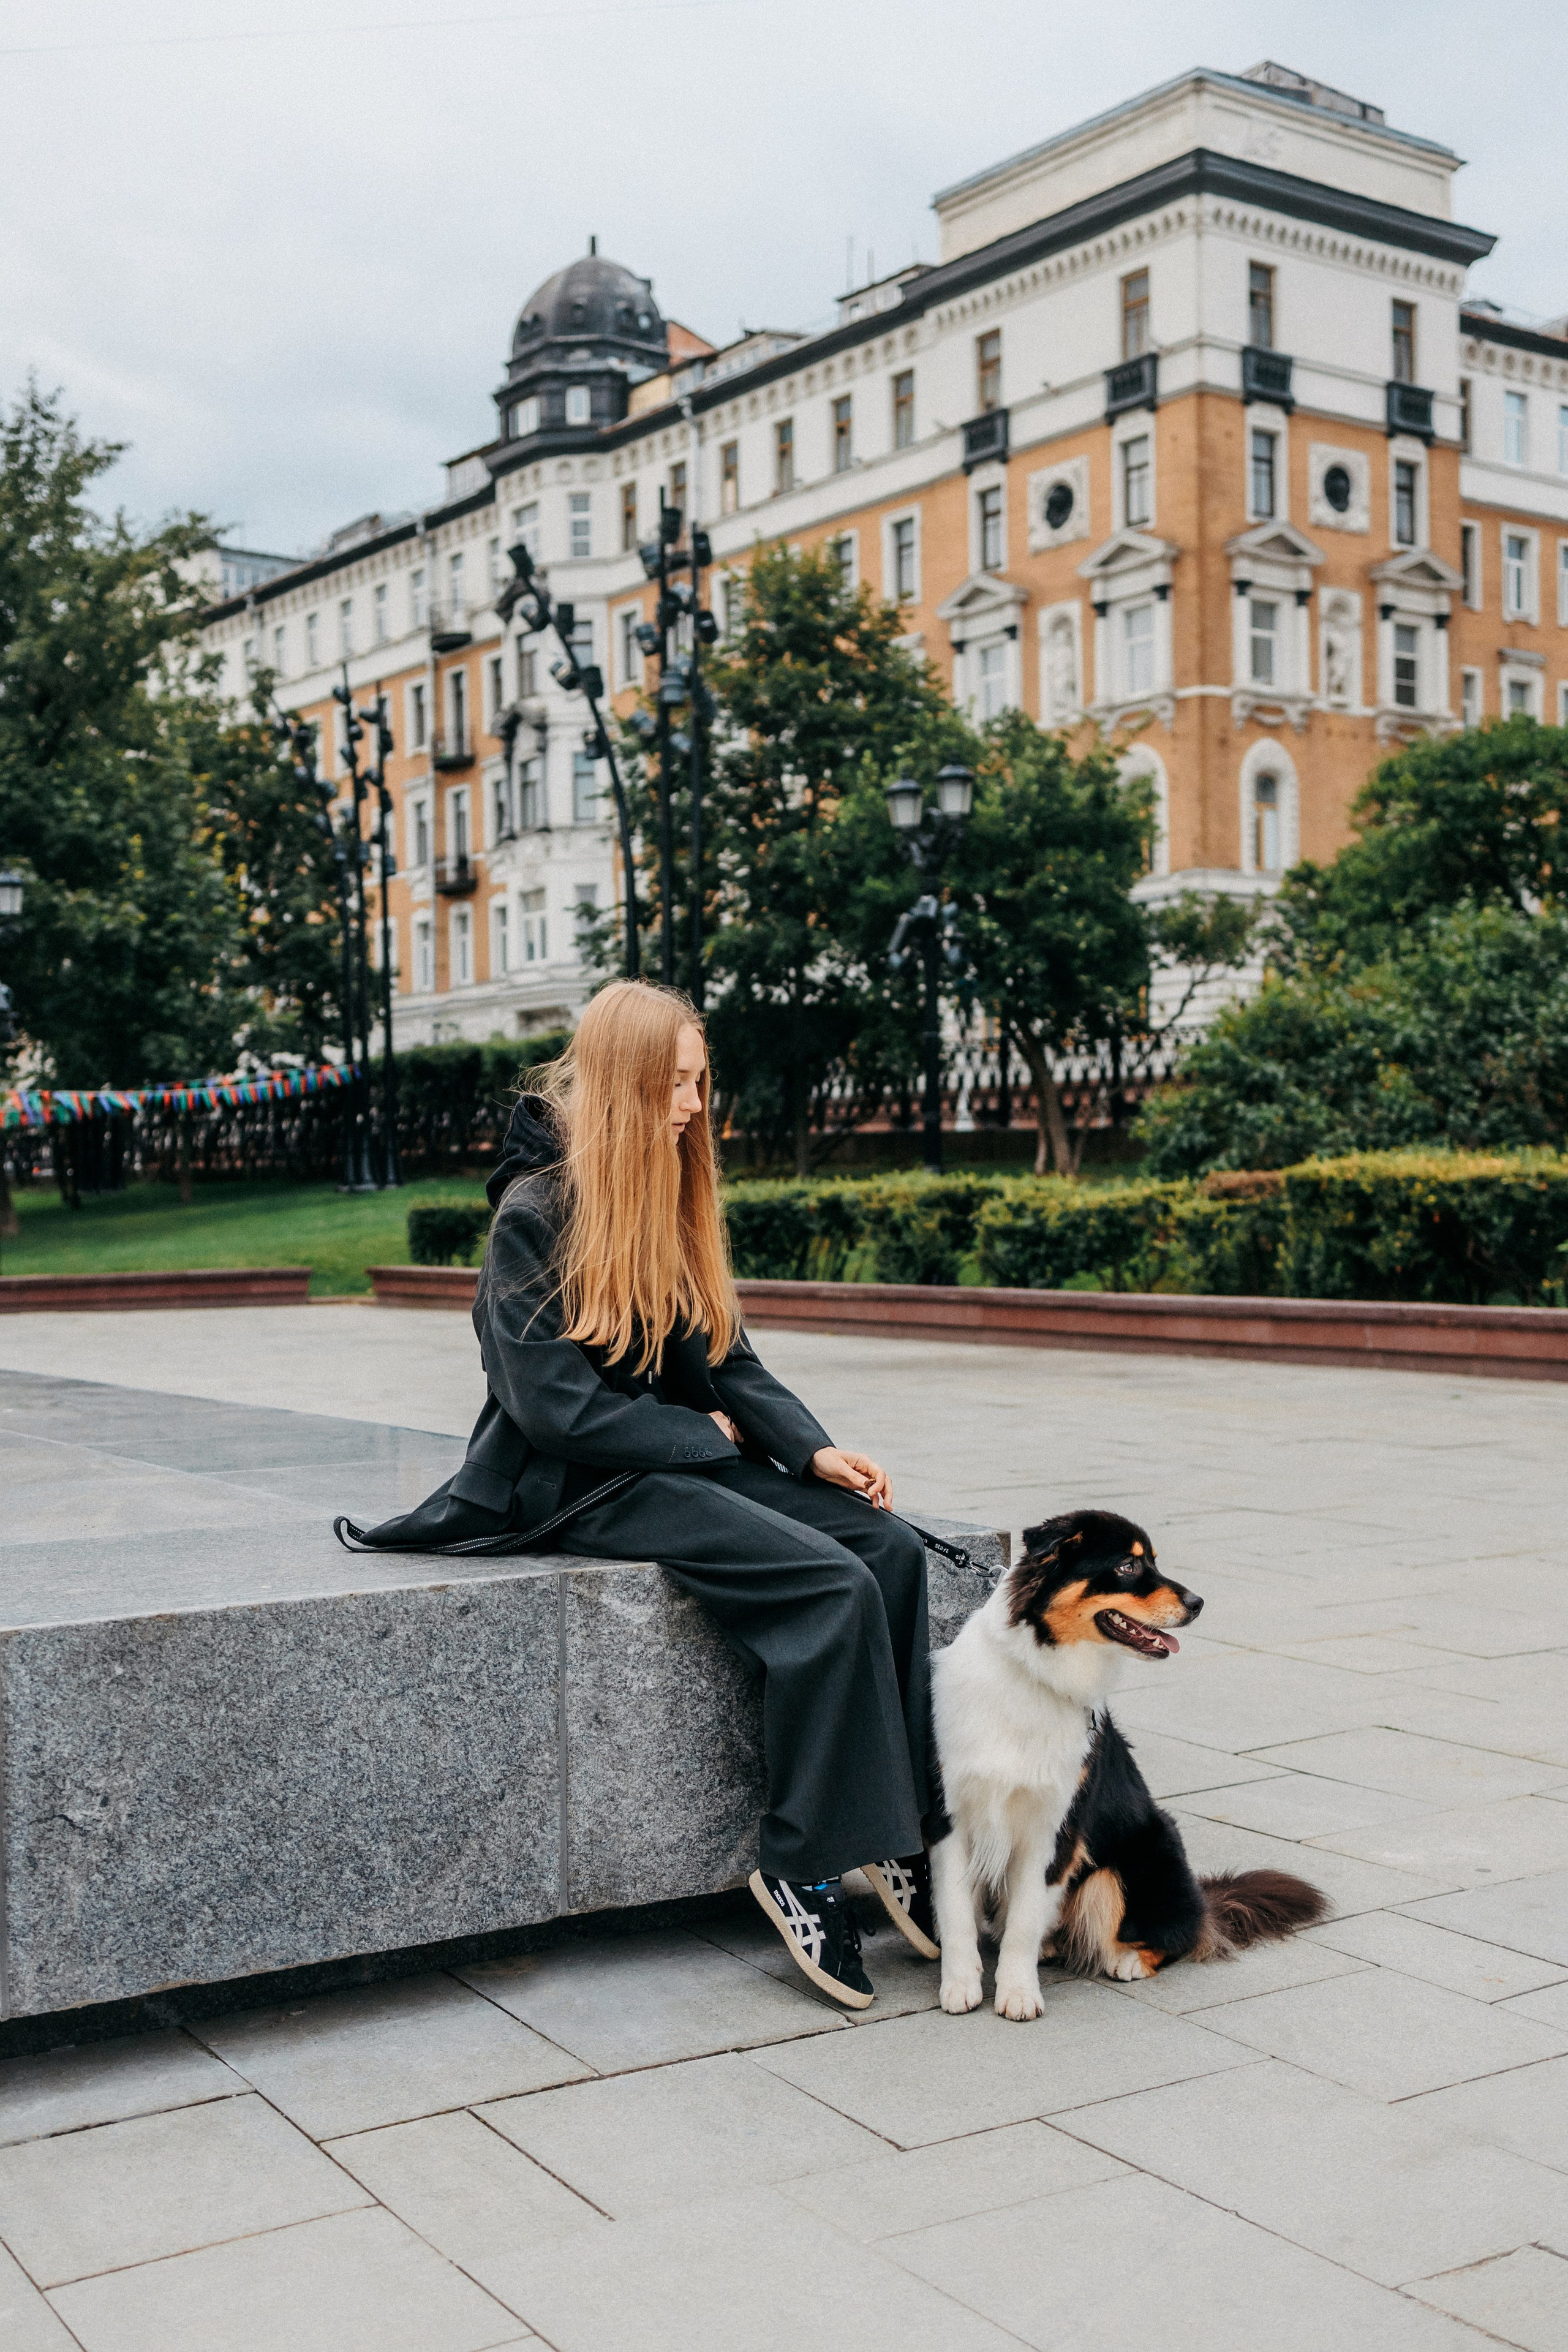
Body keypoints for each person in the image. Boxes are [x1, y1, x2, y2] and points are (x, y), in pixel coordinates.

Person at [341, 980, 937, 2008]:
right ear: (621, 1084)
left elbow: (725, 1352)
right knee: (826, 1586)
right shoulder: (534, 1216)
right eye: (676, 1083)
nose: (694, 1106)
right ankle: (799, 1862)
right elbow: (550, 1408)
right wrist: (692, 1434)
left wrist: (813, 1451)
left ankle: (896, 1832)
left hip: (681, 1453)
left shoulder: (666, 1184)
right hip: (580, 1480)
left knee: (891, 1550)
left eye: (702, 1083)